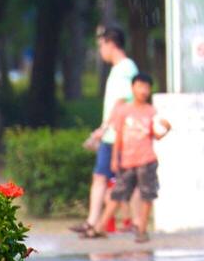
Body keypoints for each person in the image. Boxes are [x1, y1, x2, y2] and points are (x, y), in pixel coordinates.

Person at [82, 74, 171, 243]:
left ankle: (142, 230)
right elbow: (119, 137)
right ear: (132, 88)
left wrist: (167, 129)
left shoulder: (151, 111)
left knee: (147, 195)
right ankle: (100, 228)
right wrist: (115, 159)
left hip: (147, 160)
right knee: (118, 194)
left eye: (146, 87)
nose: (143, 90)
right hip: (127, 161)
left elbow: (155, 135)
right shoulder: (124, 111)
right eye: (140, 86)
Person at [73, 27, 139, 235]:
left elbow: (121, 102)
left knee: (126, 179)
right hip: (112, 135)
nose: (100, 50)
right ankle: (93, 222)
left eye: (101, 45)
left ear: (111, 43)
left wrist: (104, 127)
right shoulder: (118, 68)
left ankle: (135, 222)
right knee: (102, 177)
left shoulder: (126, 68)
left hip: (119, 135)